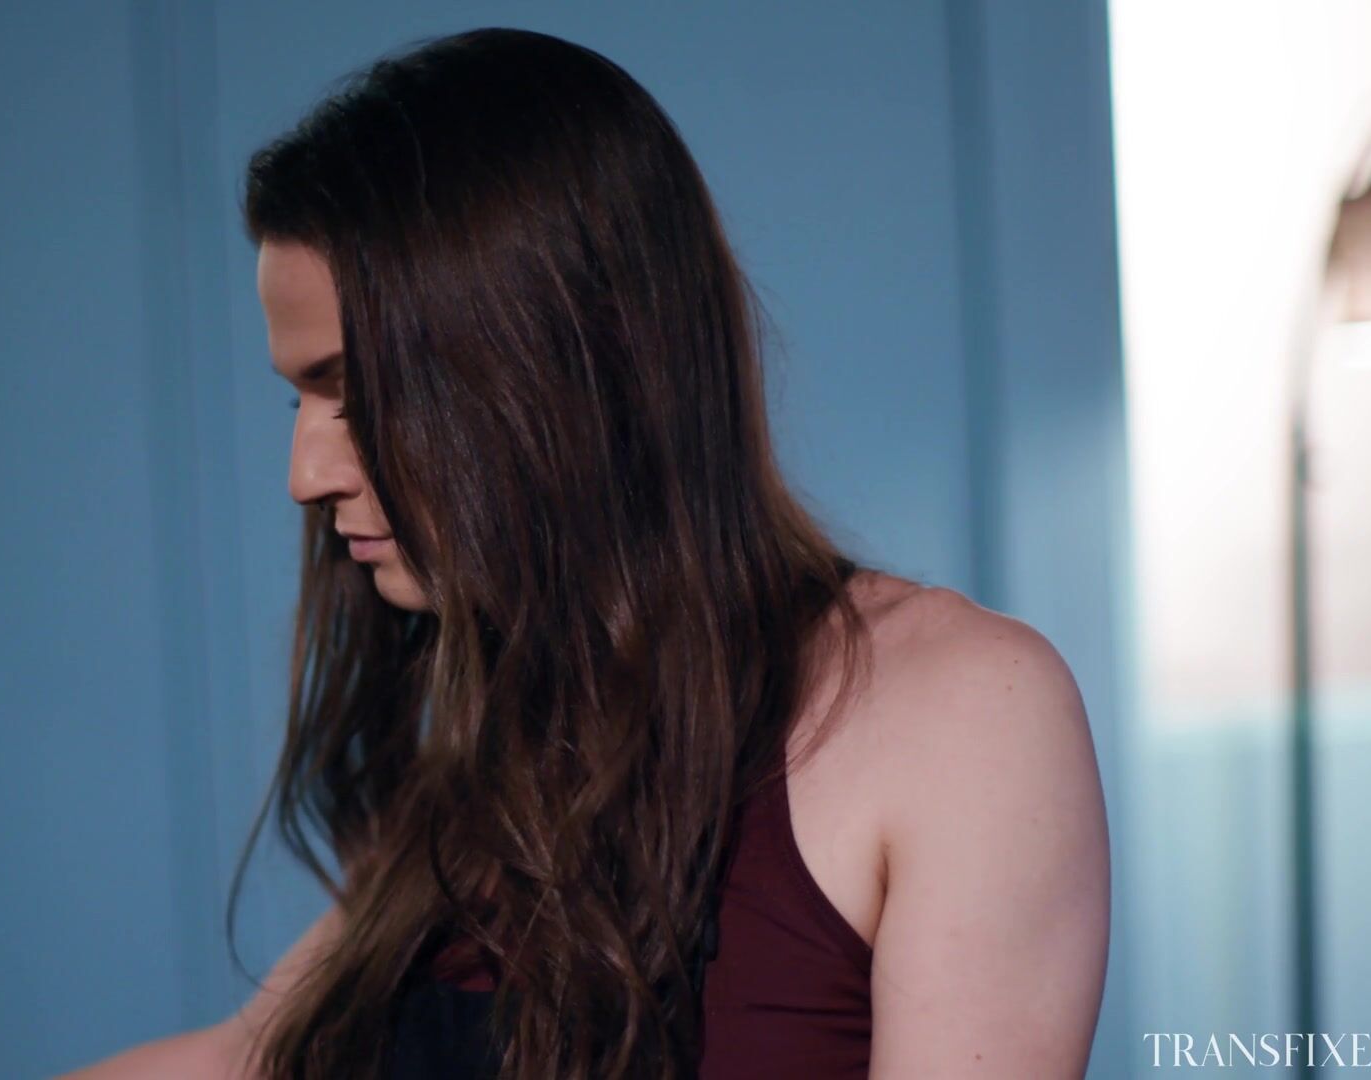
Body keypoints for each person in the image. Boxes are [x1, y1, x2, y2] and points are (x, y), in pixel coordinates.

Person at [67, 26, 1108, 1080]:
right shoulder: (497, 764)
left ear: (562, 359)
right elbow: (239, 1062)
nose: (304, 474)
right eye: (299, 399)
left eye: (358, 392)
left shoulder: (963, 707)